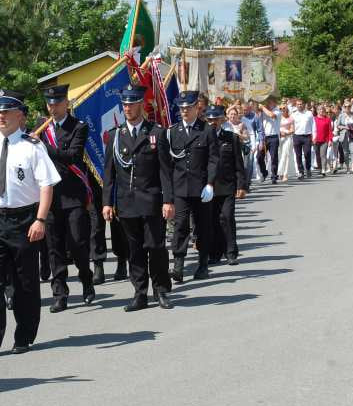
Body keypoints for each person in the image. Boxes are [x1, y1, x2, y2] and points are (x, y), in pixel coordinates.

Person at [0, 89, 60, 357]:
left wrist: (40, 219)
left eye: (6, 112)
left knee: (24, 282)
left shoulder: (33, 147)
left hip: (24, 220)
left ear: (20, 115)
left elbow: (46, 186)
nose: (0, 117)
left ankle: (24, 334)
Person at [102, 84, 175, 312]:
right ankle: (140, 292)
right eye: (125, 104)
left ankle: (161, 289)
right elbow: (109, 173)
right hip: (126, 202)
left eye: (132, 104)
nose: (128, 108)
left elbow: (165, 170)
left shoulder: (157, 133)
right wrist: (107, 202)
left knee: (156, 246)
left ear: (141, 105)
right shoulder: (115, 136)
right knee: (135, 251)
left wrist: (168, 200)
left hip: (151, 200)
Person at [37, 85, 95, 313]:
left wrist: (44, 147)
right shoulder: (41, 129)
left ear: (66, 104)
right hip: (50, 198)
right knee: (54, 248)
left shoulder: (79, 127)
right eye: (49, 103)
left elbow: (72, 156)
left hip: (73, 196)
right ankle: (59, 293)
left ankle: (86, 280)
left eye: (57, 103)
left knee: (79, 244)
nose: (53, 107)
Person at [167, 91, 219, 283]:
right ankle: (178, 265)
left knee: (203, 227)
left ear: (197, 108)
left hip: (201, 186)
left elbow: (213, 159)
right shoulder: (173, 131)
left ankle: (203, 263)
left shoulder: (206, 130)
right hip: (180, 187)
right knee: (180, 226)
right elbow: (169, 163)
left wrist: (210, 183)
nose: (184, 112)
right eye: (182, 109)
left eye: (188, 108)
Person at [205, 105, 247, 266]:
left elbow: (239, 164)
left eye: (215, 119)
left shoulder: (232, 138)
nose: (213, 122)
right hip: (209, 187)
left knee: (227, 217)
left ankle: (231, 252)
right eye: (209, 119)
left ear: (222, 119)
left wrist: (241, 186)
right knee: (213, 220)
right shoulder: (202, 138)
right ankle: (215, 252)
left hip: (228, 185)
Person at [257, 98, 281, 184]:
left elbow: (272, 115)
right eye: (267, 102)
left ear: (274, 103)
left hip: (273, 137)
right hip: (263, 137)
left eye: (270, 101)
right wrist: (260, 109)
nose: (268, 103)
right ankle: (264, 172)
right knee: (259, 157)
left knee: (274, 157)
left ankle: (274, 176)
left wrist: (263, 108)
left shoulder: (277, 111)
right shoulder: (263, 111)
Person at [292, 100, 314, 179]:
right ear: (296, 105)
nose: (300, 105)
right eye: (298, 104)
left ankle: (308, 169)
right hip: (297, 136)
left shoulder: (309, 113)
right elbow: (292, 125)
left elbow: (313, 125)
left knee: (307, 153)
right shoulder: (294, 114)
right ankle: (301, 172)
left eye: (301, 104)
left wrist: (314, 136)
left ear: (303, 105)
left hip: (307, 136)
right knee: (298, 155)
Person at [277, 103, 295, 181]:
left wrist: (286, 133)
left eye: (284, 108)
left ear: (286, 109)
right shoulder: (278, 118)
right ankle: (280, 173)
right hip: (279, 138)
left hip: (287, 138)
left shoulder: (290, 118)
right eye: (280, 109)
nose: (282, 110)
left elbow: (293, 130)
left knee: (286, 155)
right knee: (279, 155)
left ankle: (285, 174)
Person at [313, 105, 332, 176]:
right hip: (316, 140)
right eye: (319, 109)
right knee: (317, 155)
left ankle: (323, 169)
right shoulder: (314, 119)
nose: (321, 111)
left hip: (325, 140)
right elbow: (312, 130)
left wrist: (330, 140)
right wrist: (312, 138)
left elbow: (330, 130)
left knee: (323, 155)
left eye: (322, 110)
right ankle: (320, 168)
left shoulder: (327, 119)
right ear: (317, 111)